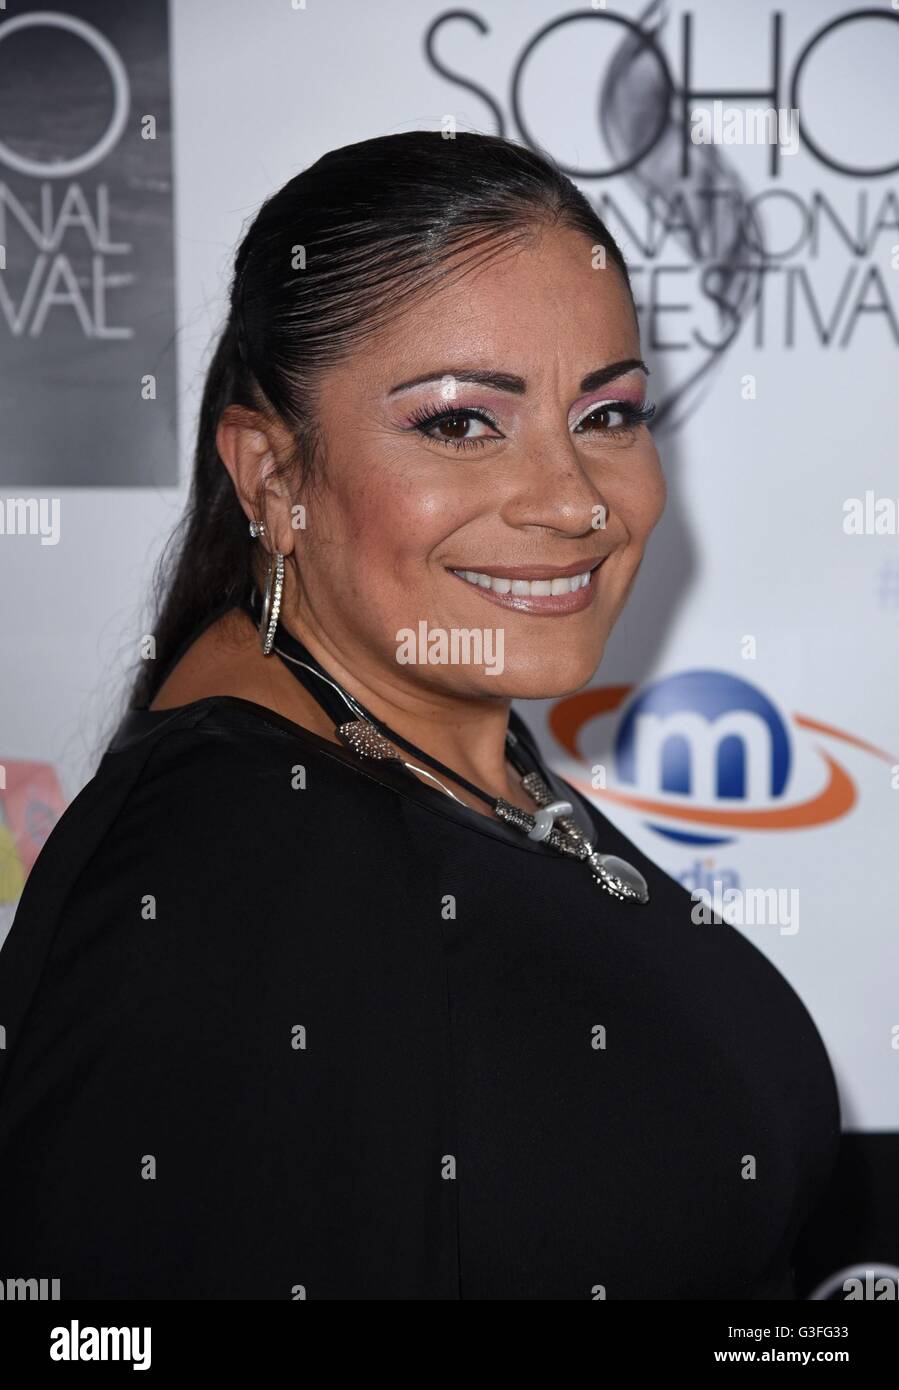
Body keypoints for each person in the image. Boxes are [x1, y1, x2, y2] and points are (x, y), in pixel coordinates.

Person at [0, 131, 839, 1299]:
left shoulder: (438, 745)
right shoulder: (235, 875)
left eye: (607, 414)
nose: (572, 501)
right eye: (458, 422)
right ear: (272, 477)